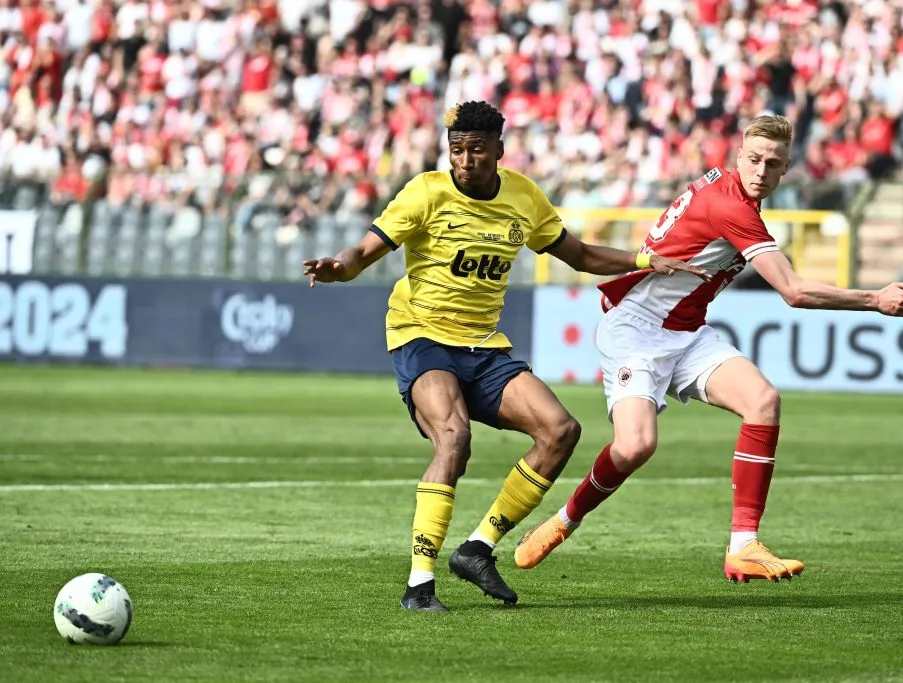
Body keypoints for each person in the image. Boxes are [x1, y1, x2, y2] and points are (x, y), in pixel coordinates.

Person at [302, 101, 710, 611]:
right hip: (421, 335)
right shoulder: (425, 192)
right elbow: (362, 253)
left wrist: (647, 260)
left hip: (483, 344)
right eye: (456, 150)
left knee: (560, 431)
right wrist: (338, 268)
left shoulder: (522, 197)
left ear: (499, 148)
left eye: (475, 149)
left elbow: (580, 255)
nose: (464, 160)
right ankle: (419, 585)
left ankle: (477, 548)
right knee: (454, 439)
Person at [513, 114, 903, 583]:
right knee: (636, 446)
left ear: (786, 168)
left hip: (686, 332)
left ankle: (743, 545)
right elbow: (793, 292)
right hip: (636, 331)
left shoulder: (727, 191)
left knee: (763, 401)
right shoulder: (732, 207)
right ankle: (564, 520)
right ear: (738, 156)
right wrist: (875, 300)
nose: (761, 171)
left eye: (773, 164)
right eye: (754, 159)